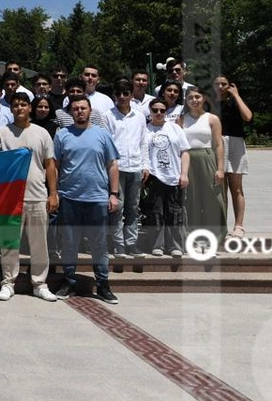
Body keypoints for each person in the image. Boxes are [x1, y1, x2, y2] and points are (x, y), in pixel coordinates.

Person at [0, 92, 59, 301]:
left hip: (38, 194)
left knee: (39, 243)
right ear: (10, 109)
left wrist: (53, 193)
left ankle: (39, 283)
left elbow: (50, 165)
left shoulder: (42, 133)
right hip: (10, 197)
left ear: (30, 108)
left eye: (23, 104)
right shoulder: (2, 133)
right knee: (9, 243)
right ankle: (8, 282)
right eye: (15, 105)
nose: (19, 108)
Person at [52, 95, 121, 304]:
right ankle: (69, 281)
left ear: (90, 110)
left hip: (97, 198)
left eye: (83, 108)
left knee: (99, 244)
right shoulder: (62, 135)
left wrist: (114, 193)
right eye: (75, 108)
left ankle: (102, 284)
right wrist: (54, 192)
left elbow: (112, 165)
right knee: (69, 243)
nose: (79, 111)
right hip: (70, 197)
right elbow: (54, 166)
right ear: (70, 112)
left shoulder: (102, 134)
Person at [140, 100, 190, 257]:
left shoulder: (175, 129)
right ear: (150, 111)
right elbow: (143, 152)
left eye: (162, 110)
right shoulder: (145, 131)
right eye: (155, 110)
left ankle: (175, 245)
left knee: (175, 213)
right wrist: (145, 168)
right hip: (154, 177)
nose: (159, 113)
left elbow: (185, 152)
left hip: (174, 175)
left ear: (166, 112)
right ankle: (157, 245)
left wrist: (184, 174)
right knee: (155, 213)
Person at [179, 86, 226, 244]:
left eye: (197, 97)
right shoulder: (181, 119)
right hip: (187, 159)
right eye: (191, 97)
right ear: (186, 100)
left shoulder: (212, 119)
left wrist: (220, 169)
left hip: (207, 157)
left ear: (204, 98)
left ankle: (215, 235)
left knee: (212, 197)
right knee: (191, 198)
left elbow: (219, 145)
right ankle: (192, 235)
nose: (194, 100)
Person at [109, 79, 147, 258]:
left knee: (133, 207)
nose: (122, 97)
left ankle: (131, 243)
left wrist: (145, 165)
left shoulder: (139, 116)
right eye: (119, 94)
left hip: (135, 167)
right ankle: (118, 245)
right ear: (114, 96)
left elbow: (143, 141)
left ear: (132, 95)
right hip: (117, 168)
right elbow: (106, 144)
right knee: (117, 207)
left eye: (126, 93)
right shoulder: (108, 116)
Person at [214, 75, 253, 238]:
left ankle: (239, 225)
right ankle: (221, 227)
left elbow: (248, 117)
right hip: (216, 143)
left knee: (236, 188)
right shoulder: (209, 103)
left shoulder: (234, 102)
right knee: (219, 189)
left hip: (235, 142)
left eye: (224, 84)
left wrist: (236, 95)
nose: (221, 87)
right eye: (218, 84)